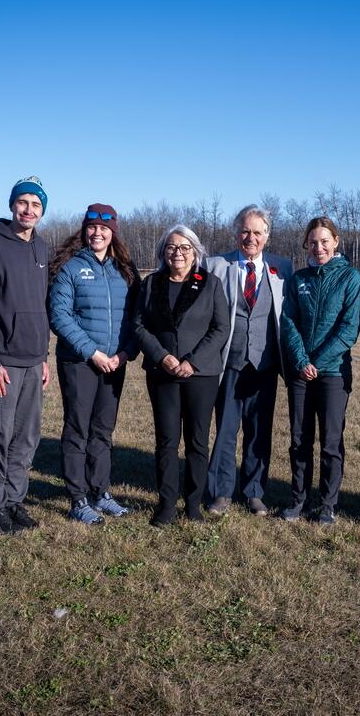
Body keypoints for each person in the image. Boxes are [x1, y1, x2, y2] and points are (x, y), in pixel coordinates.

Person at [0, 176, 52, 533]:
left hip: (34, 361)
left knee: (27, 436)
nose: (28, 209)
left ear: (42, 210)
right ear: (12, 205)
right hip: (2, 362)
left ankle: (15, 500)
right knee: (0, 435)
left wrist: (44, 354)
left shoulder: (42, 248)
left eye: (36, 204)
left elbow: (41, 305)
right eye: (23, 202)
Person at [48, 204, 139, 525]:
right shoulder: (71, 267)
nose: (97, 233)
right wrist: (92, 352)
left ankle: (100, 492)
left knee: (103, 430)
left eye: (104, 228)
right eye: (92, 227)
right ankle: (78, 498)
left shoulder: (124, 270)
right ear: (84, 230)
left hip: (115, 363)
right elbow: (60, 315)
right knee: (78, 428)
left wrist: (126, 353)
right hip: (80, 363)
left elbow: (134, 319)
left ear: (113, 232)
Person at [133, 225, 230, 526]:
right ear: (163, 251)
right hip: (162, 373)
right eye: (172, 247)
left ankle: (193, 503)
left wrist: (193, 362)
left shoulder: (210, 284)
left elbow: (221, 328)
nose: (178, 253)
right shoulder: (151, 284)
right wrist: (161, 356)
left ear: (195, 251)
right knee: (166, 439)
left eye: (185, 247)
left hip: (200, 375)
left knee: (197, 441)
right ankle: (166, 503)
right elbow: (139, 325)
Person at [203, 205, 294, 516]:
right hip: (229, 363)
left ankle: (254, 491)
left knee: (259, 433)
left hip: (265, 366)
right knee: (226, 431)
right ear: (236, 232)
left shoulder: (282, 268)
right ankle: (220, 493)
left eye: (257, 232)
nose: (250, 237)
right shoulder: (215, 265)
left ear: (266, 236)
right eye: (245, 231)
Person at [279, 216, 360, 526]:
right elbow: (288, 321)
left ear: (336, 241)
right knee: (300, 439)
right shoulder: (299, 278)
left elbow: (349, 328)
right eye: (313, 242)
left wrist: (319, 360)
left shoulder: (350, 278)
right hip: (301, 372)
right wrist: (302, 361)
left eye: (324, 241)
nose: (319, 247)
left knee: (330, 442)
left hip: (333, 373)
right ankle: (298, 499)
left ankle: (327, 504)